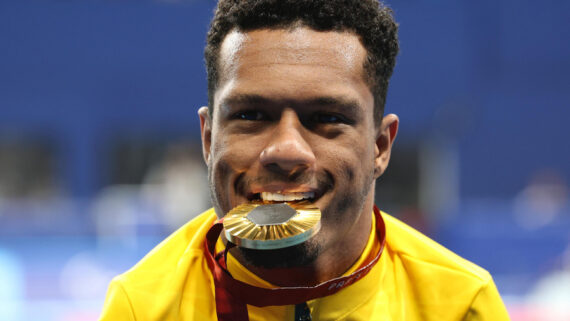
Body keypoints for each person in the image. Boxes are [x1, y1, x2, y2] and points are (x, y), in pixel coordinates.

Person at [100, 0, 510, 320]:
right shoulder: (142, 309)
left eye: (327, 118)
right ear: (208, 139)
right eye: (250, 115)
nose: (285, 150)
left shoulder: (459, 307)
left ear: (380, 147)